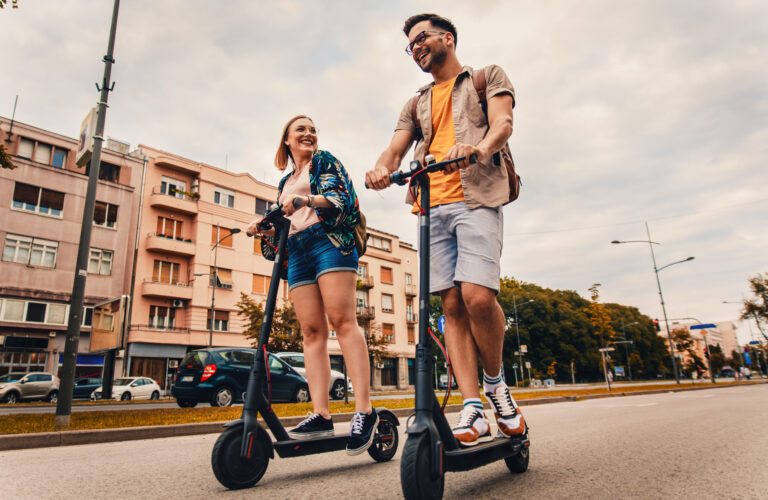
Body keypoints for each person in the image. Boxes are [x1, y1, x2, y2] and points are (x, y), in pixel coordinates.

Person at [365, 13, 525, 446]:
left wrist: (478, 148)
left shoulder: (486, 77)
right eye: (409, 45)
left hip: (477, 198)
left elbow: (503, 123)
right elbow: (395, 148)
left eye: (421, 38)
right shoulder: (415, 101)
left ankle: (495, 384)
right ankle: (472, 406)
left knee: (477, 296)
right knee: (451, 304)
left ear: (447, 38)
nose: (415, 48)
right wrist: (382, 169)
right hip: (431, 205)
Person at [247, 115, 377, 455]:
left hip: (328, 241)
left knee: (343, 321)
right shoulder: (285, 182)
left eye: (312, 129)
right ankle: (321, 413)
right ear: (286, 141)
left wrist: (306, 201)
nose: (308, 133)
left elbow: (341, 199)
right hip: (298, 249)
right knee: (311, 332)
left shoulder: (324, 161)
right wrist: (265, 229)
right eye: (300, 129)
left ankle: (364, 409)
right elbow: (284, 223)